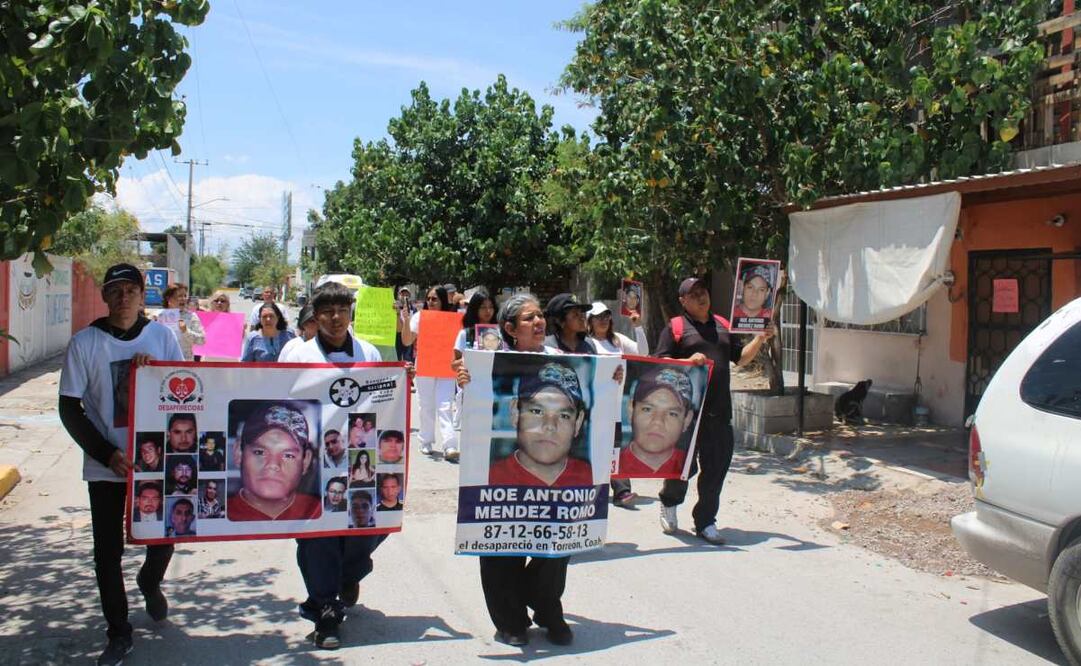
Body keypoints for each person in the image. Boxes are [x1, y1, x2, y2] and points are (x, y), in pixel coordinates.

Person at [58, 262, 184, 664]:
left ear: (142, 293)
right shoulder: (85, 343)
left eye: (131, 289)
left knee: (164, 536)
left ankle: (150, 580)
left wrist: (159, 373)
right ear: (105, 296)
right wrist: (105, 453)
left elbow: (188, 387)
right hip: (108, 465)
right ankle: (118, 631)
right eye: (116, 290)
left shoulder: (162, 337)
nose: (124, 296)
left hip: (157, 462)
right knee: (106, 553)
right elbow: (69, 408)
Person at [453, 294, 578, 647]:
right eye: (528, 318)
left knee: (555, 542)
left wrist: (614, 376)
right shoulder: (488, 363)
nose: (538, 322)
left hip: (554, 478)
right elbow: (470, 417)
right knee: (501, 545)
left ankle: (546, 607)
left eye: (540, 316)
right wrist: (466, 384)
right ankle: (510, 620)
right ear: (509, 329)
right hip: (505, 476)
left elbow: (599, 387)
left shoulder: (562, 361)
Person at [281, 281, 386, 649]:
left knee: (369, 528)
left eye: (342, 309)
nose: (336, 317)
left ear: (351, 312)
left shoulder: (370, 353)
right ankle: (325, 609)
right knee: (316, 538)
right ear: (315, 315)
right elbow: (277, 404)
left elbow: (386, 403)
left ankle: (349, 573)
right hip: (312, 465)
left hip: (360, 461)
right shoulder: (296, 356)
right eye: (327, 311)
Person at [654, 276, 774, 544]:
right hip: (686, 414)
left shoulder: (722, 325)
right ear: (683, 301)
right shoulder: (675, 328)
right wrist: (687, 361)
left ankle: (706, 521)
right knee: (682, 466)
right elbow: (660, 364)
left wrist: (760, 338)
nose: (701, 296)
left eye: (703, 291)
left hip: (719, 412)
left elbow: (740, 358)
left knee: (716, 468)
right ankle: (670, 501)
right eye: (693, 293)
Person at [488, 360, 592, 487]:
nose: (550, 426)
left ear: (578, 422)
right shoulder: (490, 479)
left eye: (564, 416)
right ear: (515, 412)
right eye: (537, 411)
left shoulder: (590, 479)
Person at [226, 402, 321, 521]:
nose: (273, 465)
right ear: (238, 453)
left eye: (288, 455)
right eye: (259, 452)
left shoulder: (320, 513)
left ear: (305, 461)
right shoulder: (215, 518)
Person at [399, 286, 457, 457]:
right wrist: (406, 321)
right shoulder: (419, 317)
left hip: (445, 366)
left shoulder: (452, 319)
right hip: (425, 366)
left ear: (442, 301)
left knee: (445, 406)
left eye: (435, 299)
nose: (430, 302)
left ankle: (450, 445)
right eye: (428, 299)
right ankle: (426, 440)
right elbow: (407, 340)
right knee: (426, 406)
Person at [619, 366, 695, 476]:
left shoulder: (686, 466)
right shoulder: (606, 466)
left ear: (687, 420)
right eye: (647, 409)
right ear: (631, 410)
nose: (658, 422)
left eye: (672, 414)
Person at [161, 283, 206, 362]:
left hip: (184, 364)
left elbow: (202, 340)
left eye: (185, 296)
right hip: (162, 363)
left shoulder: (192, 316)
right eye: (180, 296)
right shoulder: (158, 315)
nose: (183, 299)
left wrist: (185, 331)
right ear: (169, 298)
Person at [394, 286, 417, 364]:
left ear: (409, 296)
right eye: (402, 294)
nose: (404, 296)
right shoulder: (396, 308)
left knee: (408, 356)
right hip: (398, 335)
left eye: (406, 295)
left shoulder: (413, 309)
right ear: (399, 296)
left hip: (408, 334)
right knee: (397, 355)